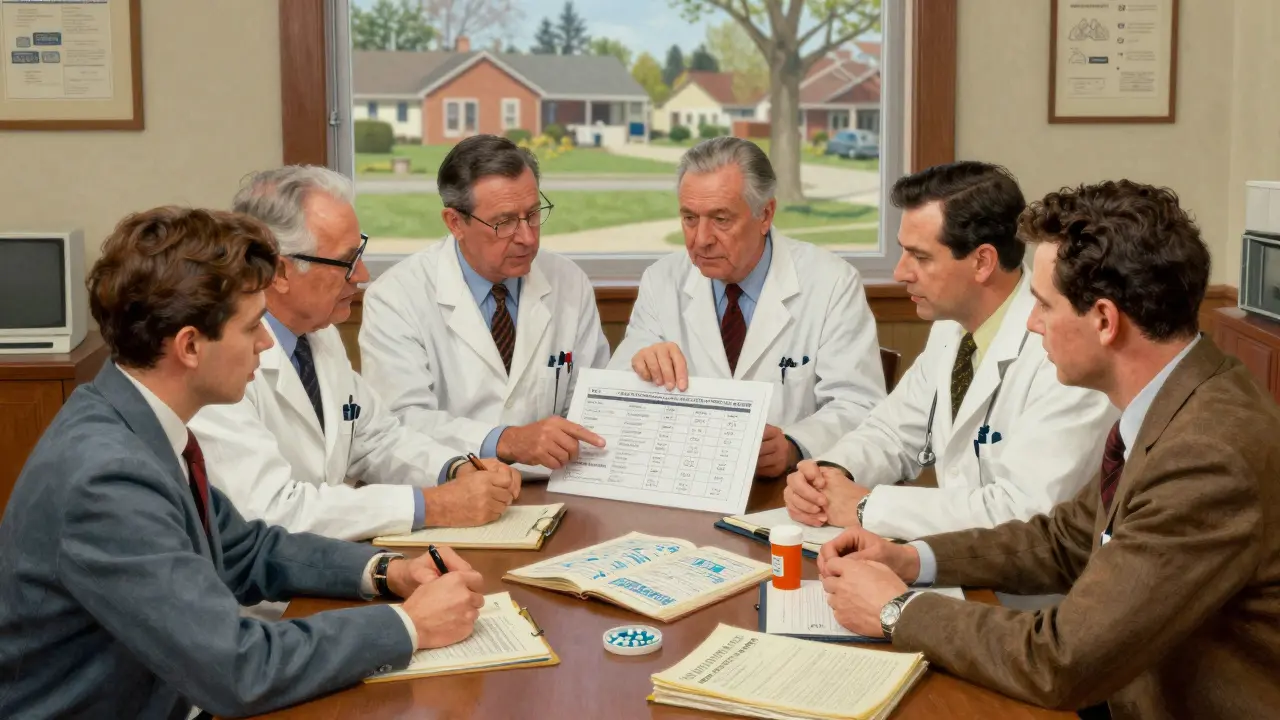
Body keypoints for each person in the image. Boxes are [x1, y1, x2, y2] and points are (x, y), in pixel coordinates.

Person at [816, 180, 1280, 718]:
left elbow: (1063, 661)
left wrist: (896, 610)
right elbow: (1065, 540)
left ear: (1105, 320)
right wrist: (913, 558)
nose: (1031, 322)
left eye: (1042, 305)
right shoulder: (1177, 399)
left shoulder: (1207, 455)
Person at [0, 207, 486, 719]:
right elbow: (238, 668)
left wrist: (388, 572)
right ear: (189, 346)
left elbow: (244, 548)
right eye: (253, 326)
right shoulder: (107, 478)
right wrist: (409, 626)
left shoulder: (134, 421)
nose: (265, 343)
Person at [785, 162, 1115, 542]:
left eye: (920, 257)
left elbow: (1023, 511)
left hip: (1024, 590)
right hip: (951, 561)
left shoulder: (1066, 351)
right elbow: (891, 431)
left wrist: (865, 507)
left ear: (982, 262)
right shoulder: (952, 327)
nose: (900, 272)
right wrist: (829, 474)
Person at [190, 166, 522, 544]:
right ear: (279, 271)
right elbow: (273, 509)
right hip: (267, 597)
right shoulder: (217, 359)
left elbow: (376, 438)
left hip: (330, 564)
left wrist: (456, 469)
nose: (361, 274)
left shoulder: (318, 336)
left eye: (359, 253)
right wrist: (432, 505)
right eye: (346, 261)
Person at [608, 137, 886, 477]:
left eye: (721, 219)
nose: (701, 239)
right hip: (687, 482)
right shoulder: (661, 280)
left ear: (765, 214)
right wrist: (639, 366)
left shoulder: (831, 283)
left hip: (790, 493)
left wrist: (794, 445)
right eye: (689, 218)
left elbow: (859, 405)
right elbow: (613, 398)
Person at [360, 134, 611, 471]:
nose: (527, 237)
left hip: (555, 485)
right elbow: (400, 423)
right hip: (455, 489)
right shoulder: (396, 297)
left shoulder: (569, 281)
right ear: (455, 222)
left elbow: (592, 403)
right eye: (504, 222)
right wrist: (506, 440)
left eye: (534, 214)